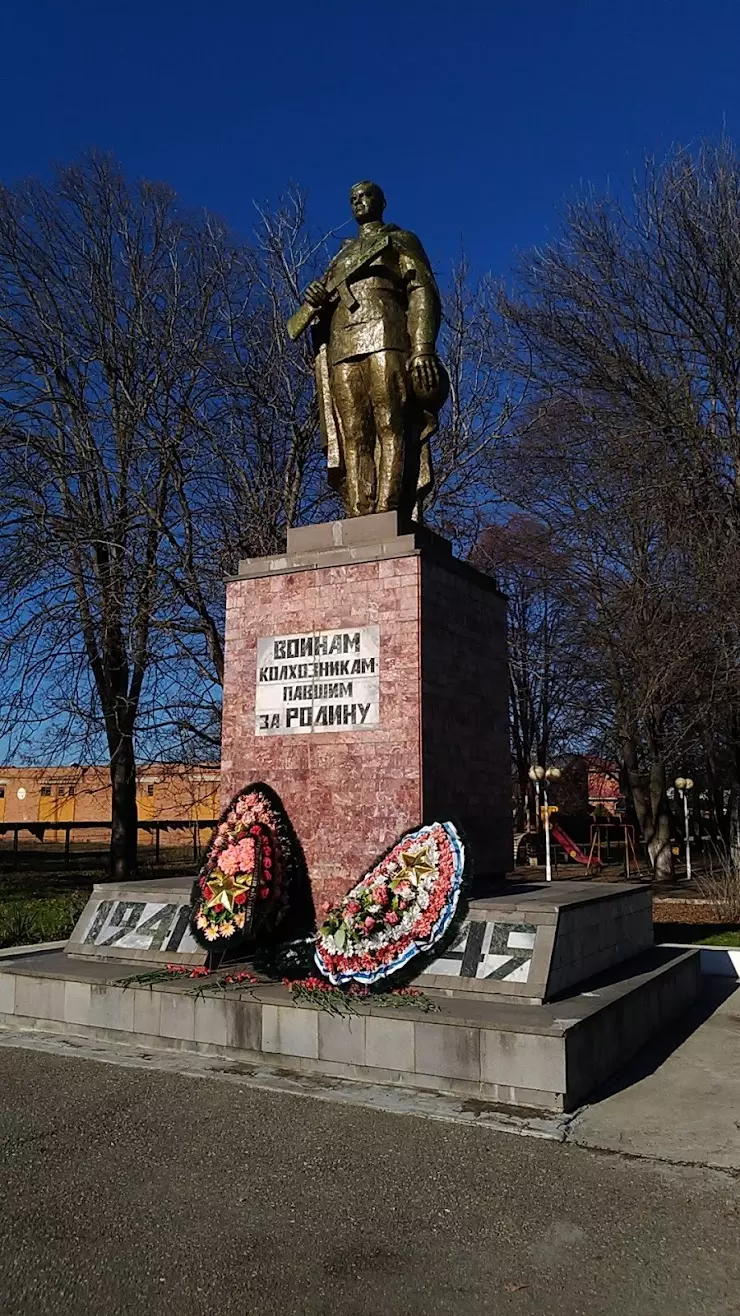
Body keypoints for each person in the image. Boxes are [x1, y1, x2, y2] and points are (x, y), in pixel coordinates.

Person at [298, 180, 448, 519]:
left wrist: (422, 347)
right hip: (342, 343)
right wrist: (315, 299)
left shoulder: (399, 240)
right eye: (352, 198)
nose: (358, 202)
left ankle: (387, 510)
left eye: (365, 196)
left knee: (390, 422)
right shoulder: (340, 256)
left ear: (382, 201)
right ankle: (359, 512)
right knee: (353, 431)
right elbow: (321, 307)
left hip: (387, 333)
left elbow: (422, 290)